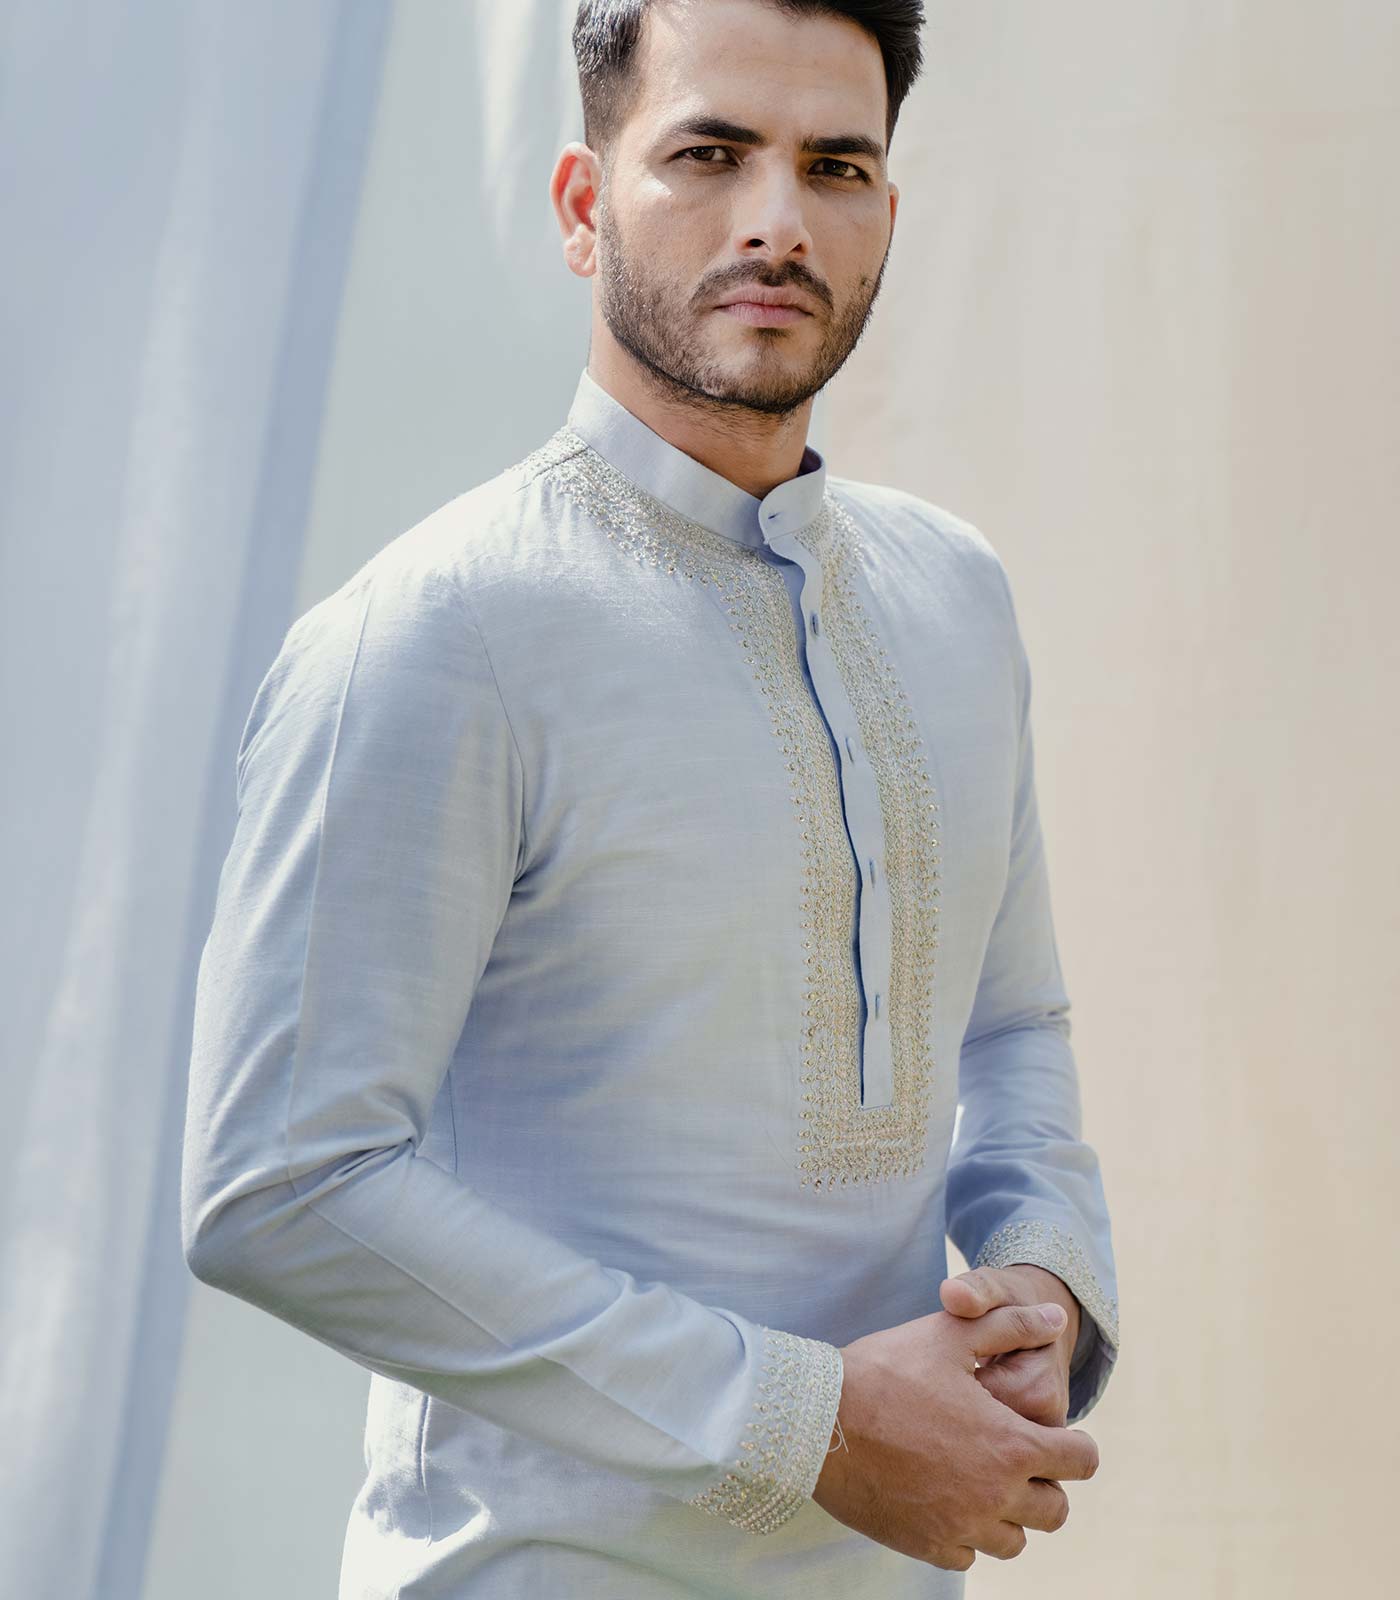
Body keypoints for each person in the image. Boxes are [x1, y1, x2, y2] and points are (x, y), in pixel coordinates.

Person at [180, 0, 1119, 1594]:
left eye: (834, 167)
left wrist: (1043, 1273)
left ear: (887, 218)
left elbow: (1008, 1024)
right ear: (581, 204)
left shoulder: (953, 597)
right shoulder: (440, 632)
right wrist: (805, 1422)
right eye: (709, 153)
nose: (777, 221)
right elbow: (281, 1180)